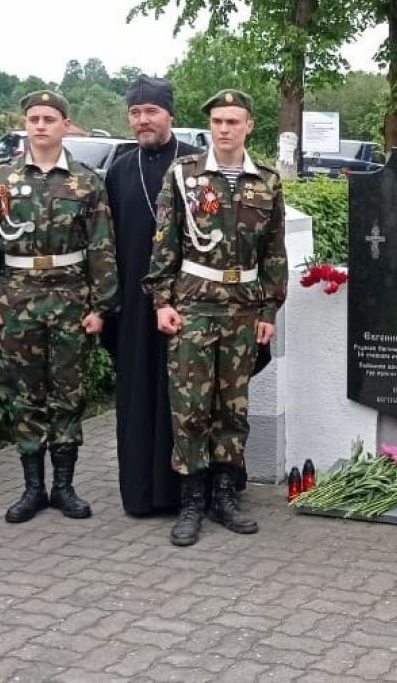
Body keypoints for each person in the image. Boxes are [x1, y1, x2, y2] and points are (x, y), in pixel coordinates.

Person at [144, 88, 287, 546]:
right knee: (189, 409)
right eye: (218, 121)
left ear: (249, 126)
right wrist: (162, 301)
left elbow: (274, 252)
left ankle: (225, 495)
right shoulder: (183, 175)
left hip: (244, 308)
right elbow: (164, 242)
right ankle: (191, 501)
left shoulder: (266, 180)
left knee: (233, 408)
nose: (224, 129)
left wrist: (269, 308)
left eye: (233, 121)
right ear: (211, 126)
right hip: (193, 306)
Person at [0, 90, 117, 524]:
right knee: (25, 395)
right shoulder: (1, 178)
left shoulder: (87, 181)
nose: (40, 125)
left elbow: (102, 248)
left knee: (68, 395)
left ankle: (65, 487)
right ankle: (33, 488)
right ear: (25, 124)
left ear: (65, 125)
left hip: (71, 299)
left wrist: (101, 306)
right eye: (33, 118)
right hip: (16, 299)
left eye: (49, 118)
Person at [104, 75, 201, 516]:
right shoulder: (119, 170)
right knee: (140, 395)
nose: (143, 121)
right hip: (134, 305)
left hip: (190, 301)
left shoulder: (198, 166)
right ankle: (143, 493)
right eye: (135, 113)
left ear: (170, 116)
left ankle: (190, 492)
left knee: (190, 398)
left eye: (151, 112)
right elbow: (105, 243)